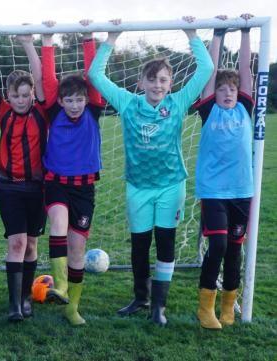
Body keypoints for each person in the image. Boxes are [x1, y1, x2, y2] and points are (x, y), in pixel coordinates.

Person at [88, 17, 214, 325]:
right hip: (138, 187)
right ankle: (140, 298)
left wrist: (191, 34)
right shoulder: (128, 103)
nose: (158, 85)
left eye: (163, 80)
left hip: (171, 185)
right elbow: (94, 74)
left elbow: (207, 69)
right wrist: (111, 38)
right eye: (152, 79)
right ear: (141, 82)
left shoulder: (179, 101)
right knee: (140, 245)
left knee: (166, 242)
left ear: (170, 84)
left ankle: (159, 305)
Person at [0, 32, 51, 322]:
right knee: (17, 243)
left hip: (37, 187)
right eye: (15, 95)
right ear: (8, 96)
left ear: (32, 94)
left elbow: (41, 77)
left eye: (25, 95)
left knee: (32, 244)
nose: (20, 100)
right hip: (8, 186)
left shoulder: (42, 112)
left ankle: (25, 297)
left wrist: (28, 44)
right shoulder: (3, 111)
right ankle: (13, 304)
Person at [40, 20, 105, 325]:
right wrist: (48, 40)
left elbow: (92, 77)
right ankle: (61, 285)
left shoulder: (93, 108)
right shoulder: (54, 110)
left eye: (79, 99)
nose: (75, 104)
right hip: (55, 182)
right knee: (57, 222)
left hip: (84, 187)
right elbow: (49, 78)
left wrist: (88, 39)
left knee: (77, 249)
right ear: (61, 101)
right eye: (69, 100)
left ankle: (72, 307)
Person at [194, 14, 255, 330]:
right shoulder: (208, 109)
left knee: (234, 251)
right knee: (217, 246)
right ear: (214, 94)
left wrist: (245, 31)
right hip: (214, 191)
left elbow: (245, 69)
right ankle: (205, 308)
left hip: (242, 191)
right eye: (223, 89)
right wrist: (218, 34)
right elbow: (210, 70)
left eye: (232, 89)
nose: (229, 93)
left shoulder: (245, 108)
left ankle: (229, 305)